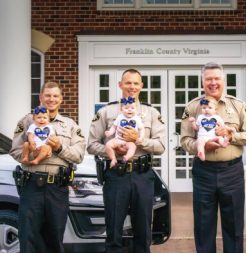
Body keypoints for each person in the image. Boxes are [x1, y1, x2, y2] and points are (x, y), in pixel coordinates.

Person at [180, 62, 246, 253]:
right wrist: (203, 146)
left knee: (233, 226)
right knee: (203, 225)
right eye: (209, 79)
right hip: (203, 171)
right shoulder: (193, 108)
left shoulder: (238, 106)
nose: (213, 82)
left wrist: (232, 136)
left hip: (232, 171)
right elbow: (184, 140)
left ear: (224, 81)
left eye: (217, 78)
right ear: (202, 82)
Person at [87, 68, 165, 253]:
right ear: (120, 85)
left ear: (142, 86)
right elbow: (91, 145)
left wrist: (139, 140)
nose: (132, 87)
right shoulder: (107, 111)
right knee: (113, 228)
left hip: (142, 175)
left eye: (136, 83)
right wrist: (112, 150)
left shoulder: (151, 112)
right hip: (116, 174)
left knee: (143, 228)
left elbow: (161, 146)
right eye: (128, 83)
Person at [9, 81, 86, 253]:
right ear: (40, 98)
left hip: (57, 188)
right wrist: (33, 154)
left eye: (55, 96)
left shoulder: (70, 124)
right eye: (48, 95)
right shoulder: (27, 121)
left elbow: (79, 155)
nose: (51, 99)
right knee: (28, 237)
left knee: (55, 237)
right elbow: (14, 150)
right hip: (31, 185)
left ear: (61, 99)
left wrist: (59, 147)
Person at [105, 96, 145, 167]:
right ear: (121, 109)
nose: (129, 110)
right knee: (108, 145)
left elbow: (142, 129)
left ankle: (126, 157)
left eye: (132, 108)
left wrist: (141, 137)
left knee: (133, 147)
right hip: (118, 139)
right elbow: (114, 126)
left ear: (136, 109)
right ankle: (113, 159)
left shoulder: (137, 118)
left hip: (130, 141)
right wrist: (110, 132)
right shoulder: (120, 117)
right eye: (126, 108)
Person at [188, 95, 231, 161]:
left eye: (210, 108)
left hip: (214, 137)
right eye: (204, 108)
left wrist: (227, 129)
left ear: (215, 110)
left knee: (220, 138)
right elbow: (196, 129)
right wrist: (193, 122)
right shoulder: (200, 117)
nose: (206, 110)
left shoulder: (217, 118)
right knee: (199, 142)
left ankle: (223, 144)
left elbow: (223, 127)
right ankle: (201, 153)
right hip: (203, 137)